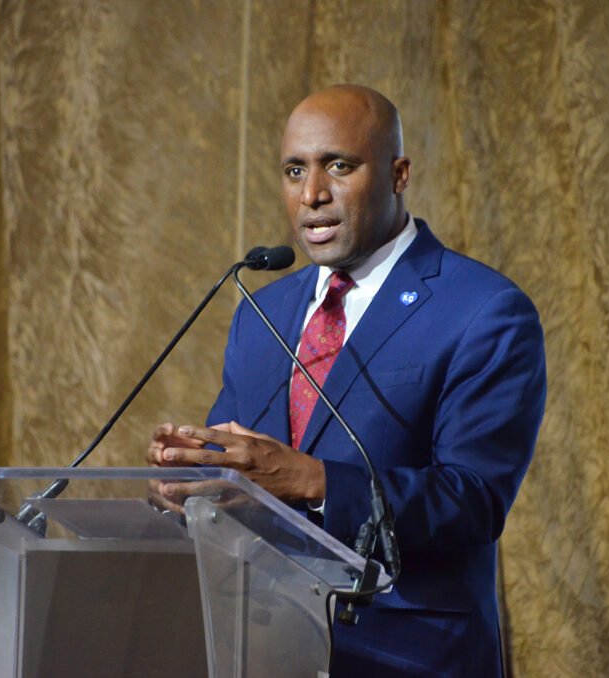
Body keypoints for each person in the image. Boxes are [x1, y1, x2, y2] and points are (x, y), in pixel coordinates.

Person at [147, 84, 546, 677]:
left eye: (339, 166)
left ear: (399, 173)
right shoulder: (263, 315)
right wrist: (195, 477)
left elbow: (473, 501)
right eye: (293, 170)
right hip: (267, 650)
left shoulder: (482, 309)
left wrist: (316, 481)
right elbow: (246, 477)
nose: (312, 195)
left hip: (411, 656)